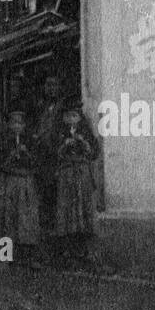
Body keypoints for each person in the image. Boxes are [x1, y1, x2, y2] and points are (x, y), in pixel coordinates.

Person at [55, 100, 99, 265]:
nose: (71, 120)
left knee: (84, 208)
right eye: (68, 116)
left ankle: (86, 250)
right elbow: (53, 152)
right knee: (68, 210)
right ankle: (68, 250)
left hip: (82, 175)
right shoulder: (59, 134)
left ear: (80, 118)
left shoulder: (86, 133)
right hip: (67, 176)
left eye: (74, 116)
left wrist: (83, 143)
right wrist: (64, 145)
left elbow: (94, 153)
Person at [0, 108, 40, 265]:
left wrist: (26, 154)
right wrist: (12, 154)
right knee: (10, 217)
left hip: (26, 181)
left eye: (20, 123)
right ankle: (8, 255)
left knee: (27, 218)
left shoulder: (31, 141)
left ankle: (29, 256)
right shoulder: (5, 143)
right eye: (13, 123)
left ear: (24, 125)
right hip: (11, 180)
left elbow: (36, 163)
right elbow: (0, 164)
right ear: (9, 125)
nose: (17, 126)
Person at [31, 73, 66, 235]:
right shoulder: (40, 107)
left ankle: (57, 231)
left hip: (56, 156)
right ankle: (45, 230)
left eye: (54, 85)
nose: (51, 89)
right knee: (43, 193)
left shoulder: (62, 108)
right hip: (42, 157)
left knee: (56, 193)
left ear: (59, 87)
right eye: (48, 85)